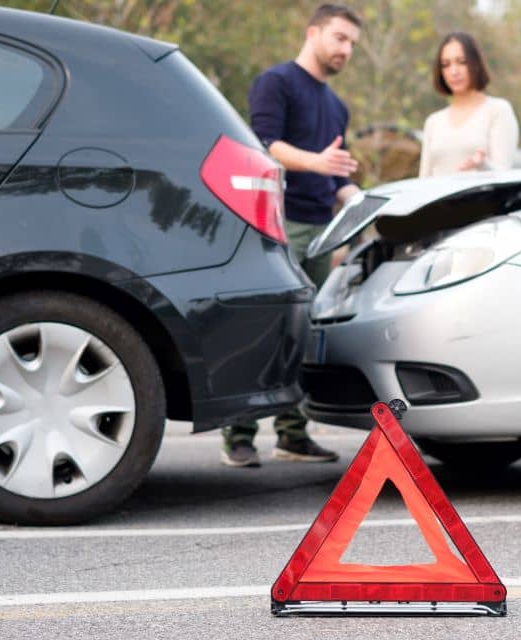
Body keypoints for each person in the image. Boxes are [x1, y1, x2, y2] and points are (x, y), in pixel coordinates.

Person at [221, 4, 362, 468]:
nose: (346, 50)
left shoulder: (337, 104)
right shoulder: (276, 83)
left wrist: (357, 198)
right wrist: (316, 162)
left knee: (305, 334)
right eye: (340, 38)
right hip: (275, 225)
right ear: (313, 33)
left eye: (352, 44)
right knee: (264, 328)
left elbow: (336, 176)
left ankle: (292, 435)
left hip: (321, 231)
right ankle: (239, 435)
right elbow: (263, 146)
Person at [419, 32, 519, 178]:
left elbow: (504, 177)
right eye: (446, 65)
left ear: (476, 64)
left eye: (462, 62)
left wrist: (481, 165)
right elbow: (424, 181)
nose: (454, 71)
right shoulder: (433, 121)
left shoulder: (498, 111)